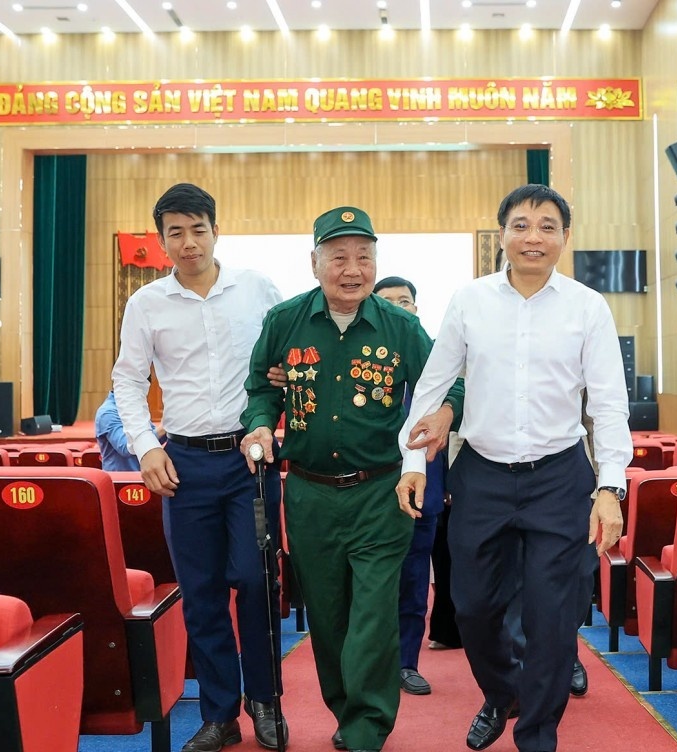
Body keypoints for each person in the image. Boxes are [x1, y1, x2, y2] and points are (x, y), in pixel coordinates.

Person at [396, 184, 630, 752]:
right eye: (521, 225)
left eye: (547, 226)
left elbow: (608, 404)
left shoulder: (587, 307)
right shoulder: (469, 300)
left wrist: (611, 487)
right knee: (473, 608)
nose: (534, 236)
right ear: (501, 233)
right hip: (483, 474)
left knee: (552, 619)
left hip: (558, 475)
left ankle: (536, 735)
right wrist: (412, 460)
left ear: (565, 238)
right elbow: (431, 385)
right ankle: (503, 693)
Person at [240, 207, 463, 752]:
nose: (353, 269)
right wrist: (262, 426)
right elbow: (260, 389)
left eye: (365, 257)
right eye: (339, 256)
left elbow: (447, 383)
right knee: (329, 615)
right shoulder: (285, 321)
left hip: (380, 493)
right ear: (314, 262)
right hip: (309, 493)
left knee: (371, 615)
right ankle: (347, 711)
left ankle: (368, 726)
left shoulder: (402, 326)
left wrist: (444, 415)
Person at [111, 183, 286, 752]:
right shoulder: (146, 304)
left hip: (248, 460)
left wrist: (279, 390)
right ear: (162, 242)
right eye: (175, 234)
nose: (188, 243)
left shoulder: (258, 289)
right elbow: (127, 382)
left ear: (216, 230)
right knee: (203, 592)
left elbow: (285, 359)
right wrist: (146, 447)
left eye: (197, 230)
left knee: (257, 583)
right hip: (182, 463)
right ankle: (219, 714)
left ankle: (265, 701)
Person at [373, 275, 448, 696]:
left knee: (414, 581)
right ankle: (371, 665)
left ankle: (406, 662)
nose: (399, 308)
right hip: (369, 491)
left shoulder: (436, 358)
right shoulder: (361, 360)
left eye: (406, 301)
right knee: (370, 585)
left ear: (417, 310)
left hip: (424, 490)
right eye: (389, 302)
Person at [93, 389, 166, 471]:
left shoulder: (134, 407)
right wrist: (164, 427)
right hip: (121, 480)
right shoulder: (108, 412)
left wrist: (172, 429)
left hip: (139, 476)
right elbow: (125, 448)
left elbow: (154, 439)